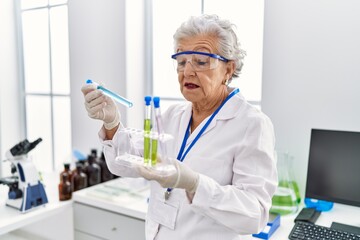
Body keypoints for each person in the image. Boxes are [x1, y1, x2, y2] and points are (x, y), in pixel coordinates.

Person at [81, 14, 277, 240]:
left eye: (201, 61)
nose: (188, 72)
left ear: (229, 69)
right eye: (182, 62)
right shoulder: (172, 116)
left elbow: (254, 215)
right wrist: (112, 123)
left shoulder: (252, 125)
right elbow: (126, 164)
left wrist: (194, 184)